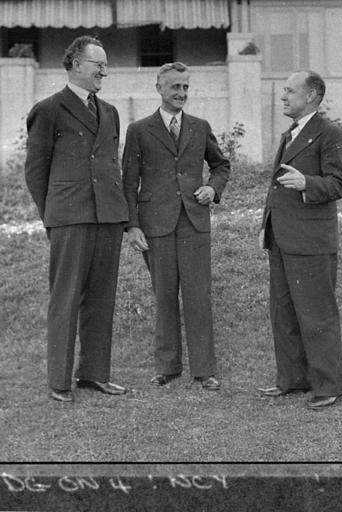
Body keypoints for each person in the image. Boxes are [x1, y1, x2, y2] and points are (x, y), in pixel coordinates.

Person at [25, 36, 129, 402]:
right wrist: (53, 219)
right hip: (70, 218)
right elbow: (36, 173)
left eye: (105, 65)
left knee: (102, 298)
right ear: (75, 64)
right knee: (65, 299)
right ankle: (60, 382)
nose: (104, 71)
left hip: (108, 217)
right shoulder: (48, 109)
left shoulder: (110, 112)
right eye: (98, 64)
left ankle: (94, 374)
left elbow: (110, 165)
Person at [122, 62, 230, 390]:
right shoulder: (139, 130)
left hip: (194, 223)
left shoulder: (200, 127)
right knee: (165, 296)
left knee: (198, 296)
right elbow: (129, 182)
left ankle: (204, 370)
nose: (181, 93)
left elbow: (221, 165)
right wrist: (132, 226)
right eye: (175, 87)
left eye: (185, 87)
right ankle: (167, 367)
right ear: (159, 88)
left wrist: (212, 188)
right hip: (156, 225)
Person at [257, 70, 342, 409]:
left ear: (311, 96)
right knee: (283, 313)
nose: (283, 96)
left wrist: (307, 183)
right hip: (282, 238)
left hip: (311, 242)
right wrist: (266, 225)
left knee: (316, 315)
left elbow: (339, 183)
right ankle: (293, 379)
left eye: (290, 91)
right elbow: (277, 188)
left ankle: (328, 387)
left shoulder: (330, 134)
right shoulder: (291, 133)